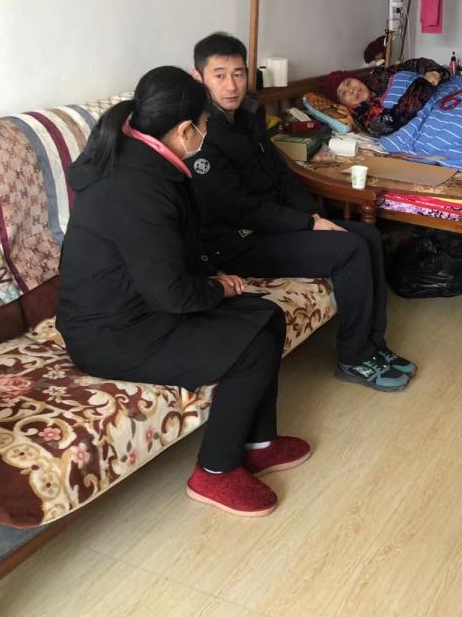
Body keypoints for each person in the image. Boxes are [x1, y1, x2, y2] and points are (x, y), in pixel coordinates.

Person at [57, 66, 310, 517]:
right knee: (250, 343)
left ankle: (258, 443)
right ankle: (214, 471)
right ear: (184, 130)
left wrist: (215, 281)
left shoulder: (147, 162)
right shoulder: (136, 187)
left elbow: (171, 256)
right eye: (205, 122)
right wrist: (215, 288)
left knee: (266, 316)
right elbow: (171, 293)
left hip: (139, 307)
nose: (207, 131)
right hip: (111, 334)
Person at [189, 32, 415, 392]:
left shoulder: (247, 114)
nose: (231, 85)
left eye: (238, 73)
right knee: (350, 249)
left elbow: (281, 172)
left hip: (274, 227)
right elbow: (238, 208)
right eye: (219, 75)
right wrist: (307, 223)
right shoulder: (200, 133)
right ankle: (354, 357)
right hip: (238, 242)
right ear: (198, 77)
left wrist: (314, 215)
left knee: (369, 236)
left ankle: (374, 345)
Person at [323, 57, 450, 137]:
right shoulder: (363, 117)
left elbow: (413, 64)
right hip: (439, 117)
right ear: (343, 104)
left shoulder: (378, 76)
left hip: (447, 93)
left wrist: (433, 71)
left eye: (348, 82)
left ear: (355, 78)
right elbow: (394, 119)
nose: (351, 90)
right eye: (343, 93)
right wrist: (424, 84)